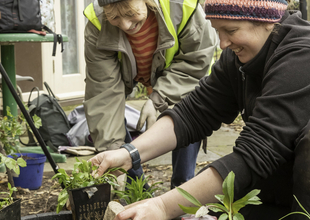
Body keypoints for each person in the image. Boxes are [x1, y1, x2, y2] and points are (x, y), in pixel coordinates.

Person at [89, 0, 310, 219]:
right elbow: (194, 113)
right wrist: (129, 153)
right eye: (217, 30)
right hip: (279, 190)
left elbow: (258, 151)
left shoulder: (301, 56)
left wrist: (164, 207)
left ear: (268, 20)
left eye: (231, 30)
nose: (222, 44)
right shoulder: (238, 57)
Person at [83, 0, 218, 188]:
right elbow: (103, 93)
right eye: (114, 17)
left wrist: (158, 98)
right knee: (111, 124)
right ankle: (137, 188)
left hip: (185, 81)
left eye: (130, 13)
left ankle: (182, 189)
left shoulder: (182, 7)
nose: (125, 25)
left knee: (187, 111)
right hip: (141, 73)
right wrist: (112, 154)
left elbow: (195, 64)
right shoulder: (98, 22)